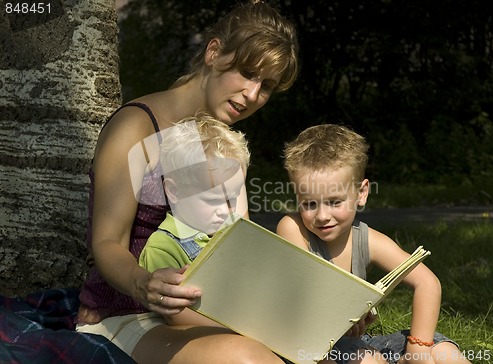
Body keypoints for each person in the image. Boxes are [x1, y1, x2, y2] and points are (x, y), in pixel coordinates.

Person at [75, 0, 299, 362]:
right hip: (126, 314)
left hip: (213, 315)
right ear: (213, 52)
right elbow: (105, 243)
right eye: (246, 72)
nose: (253, 95)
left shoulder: (221, 142)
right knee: (247, 358)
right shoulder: (136, 127)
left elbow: (235, 244)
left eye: (267, 86)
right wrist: (143, 283)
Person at [276, 124, 471, 364]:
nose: (322, 215)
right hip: (304, 346)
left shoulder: (367, 239)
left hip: (355, 344)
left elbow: (427, 282)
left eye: (335, 202)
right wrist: (344, 311)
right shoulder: (292, 229)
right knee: (368, 359)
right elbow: (304, 296)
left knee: (446, 355)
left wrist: (417, 351)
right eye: (309, 204)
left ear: (361, 193)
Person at [138, 114, 249, 328]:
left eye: (233, 198)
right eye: (213, 200)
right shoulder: (163, 248)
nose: (226, 211)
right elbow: (178, 316)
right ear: (173, 191)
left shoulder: (231, 232)